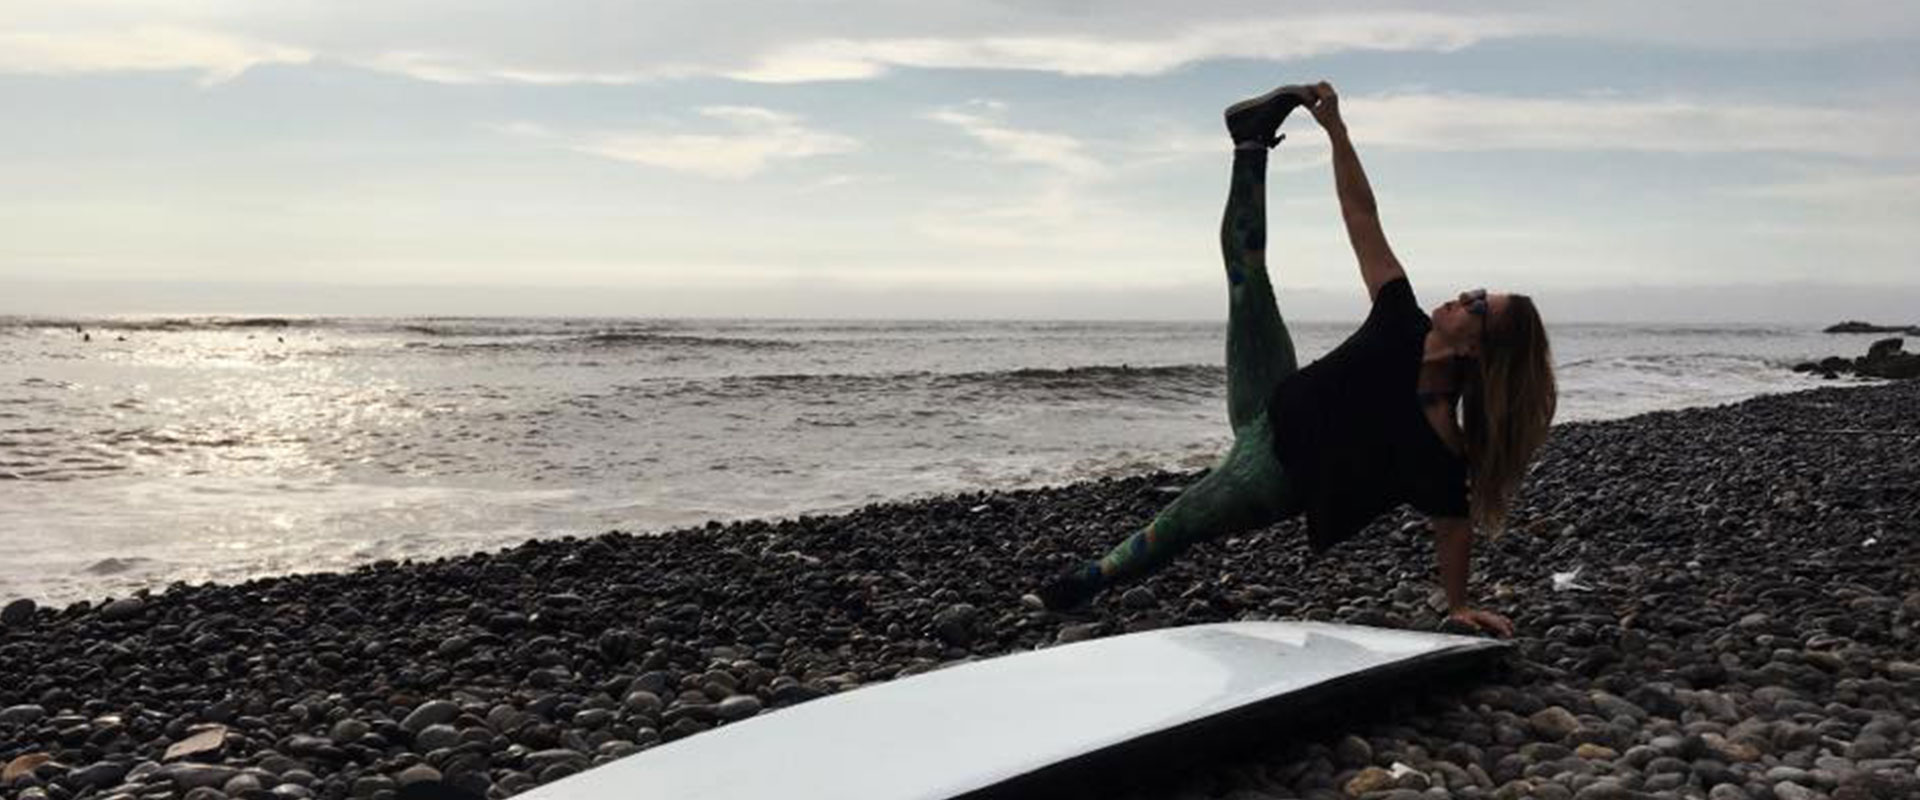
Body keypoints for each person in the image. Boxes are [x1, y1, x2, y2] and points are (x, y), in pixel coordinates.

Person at [1035, 81, 1557, 637]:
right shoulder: (1401, 316)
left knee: (1179, 522)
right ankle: (1250, 143)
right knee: (1247, 278)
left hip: (1273, 474)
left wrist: (1457, 606)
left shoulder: (1439, 437)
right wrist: (1337, 130)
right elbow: (1361, 214)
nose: (1466, 294)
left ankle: (1078, 586)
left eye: (1479, 306)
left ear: (1477, 347)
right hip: (1273, 395)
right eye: (1479, 290)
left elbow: (1452, 523)